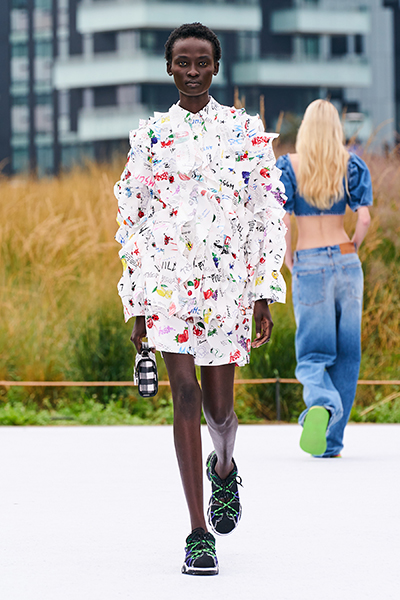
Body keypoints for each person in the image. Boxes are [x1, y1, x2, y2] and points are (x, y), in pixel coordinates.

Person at [114, 23, 286, 575]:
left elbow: (266, 212)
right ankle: (197, 532)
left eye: (202, 62)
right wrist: (138, 303)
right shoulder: (150, 138)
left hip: (227, 289)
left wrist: (263, 292)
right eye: (183, 62)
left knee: (219, 410)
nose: (192, 71)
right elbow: (132, 222)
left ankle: (225, 468)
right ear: (169, 67)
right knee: (184, 397)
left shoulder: (244, 132)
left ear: (216, 67)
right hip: (168, 288)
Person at [276, 99, 372, 459]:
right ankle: (331, 443)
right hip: (347, 261)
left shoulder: (289, 166)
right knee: (347, 355)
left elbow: (283, 220)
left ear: (306, 128)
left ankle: (321, 403)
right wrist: (353, 247)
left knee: (314, 353)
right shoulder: (351, 164)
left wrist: (288, 256)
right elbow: (364, 219)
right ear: (335, 128)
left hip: (310, 261)